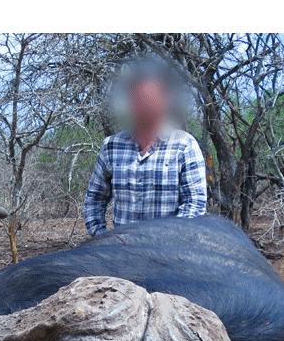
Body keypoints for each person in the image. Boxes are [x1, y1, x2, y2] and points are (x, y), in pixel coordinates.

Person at [83, 64, 208, 237]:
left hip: (169, 255)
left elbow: (195, 204)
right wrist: (102, 239)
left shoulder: (185, 145)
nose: (145, 105)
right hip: (121, 254)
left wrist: (174, 242)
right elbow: (94, 198)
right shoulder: (111, 146)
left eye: (151, 98)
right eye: (139, 99)